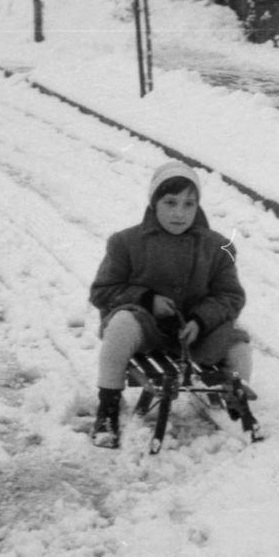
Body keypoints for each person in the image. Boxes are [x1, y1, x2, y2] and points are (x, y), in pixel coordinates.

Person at [88, 160, 252, 447]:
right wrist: (146, 299)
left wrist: (201, 320)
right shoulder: (125, 242)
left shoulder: (217, 246)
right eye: (170, 203)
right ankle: (108, 408)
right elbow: (102, 291)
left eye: (189, 204)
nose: (179, 213)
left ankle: (237, 396)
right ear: (154, 204)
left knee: (238, 344)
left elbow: (231, 296)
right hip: (147, 328)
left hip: (196, 333)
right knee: (121, 325)